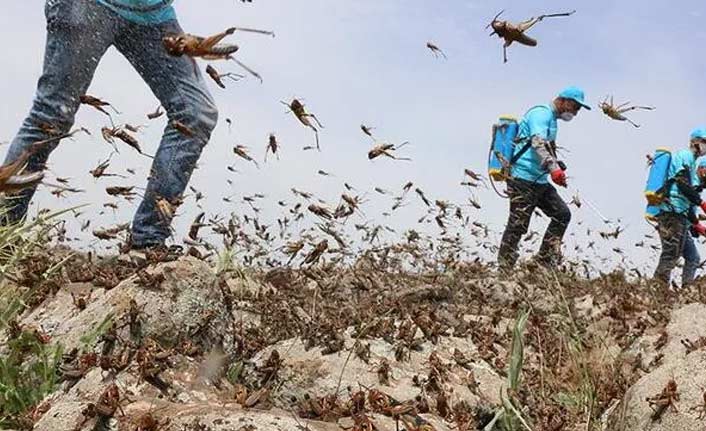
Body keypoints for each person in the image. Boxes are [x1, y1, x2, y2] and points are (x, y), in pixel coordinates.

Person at [0, 0, 218, 251]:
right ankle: (4, 230)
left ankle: (147, 241)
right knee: (51, 116)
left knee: (195, 114)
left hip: (152, 14)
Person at [497, 86, 590, 271]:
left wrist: (557, 165)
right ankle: (504, 269)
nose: (576, 112)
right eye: (575, 106)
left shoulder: (553, 121)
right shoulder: (541, 114)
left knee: (562, 215)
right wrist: (553, 169)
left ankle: (543, 262)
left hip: (538, 180)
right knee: (518, 224)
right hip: (522, 178)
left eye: (578, 109)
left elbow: (547, 149)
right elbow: (537, 143)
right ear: (563, 100)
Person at [652, 128, 706, 286]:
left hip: (679, 214)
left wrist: (697, 226)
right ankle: (657, 288)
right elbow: (682, 182)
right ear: (695, 141)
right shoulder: (685, 155)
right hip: (672, 211)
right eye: (704, 142)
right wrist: (701, 203)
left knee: (683, 255)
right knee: (671, 253)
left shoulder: (692, 160)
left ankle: (679, 288)